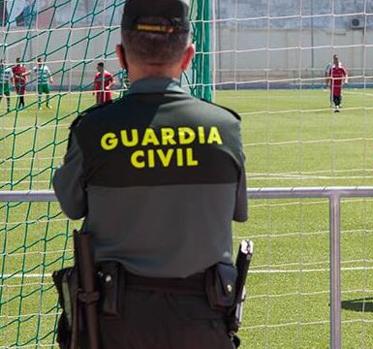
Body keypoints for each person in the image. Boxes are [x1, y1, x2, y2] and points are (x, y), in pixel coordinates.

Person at [52, 0, 248, 348]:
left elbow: (71, 205)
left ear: (121, 56)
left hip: (113, 323)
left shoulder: (93, 129)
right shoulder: (225, 127)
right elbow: (237, 211)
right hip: (203, 321)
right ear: (188, 57)